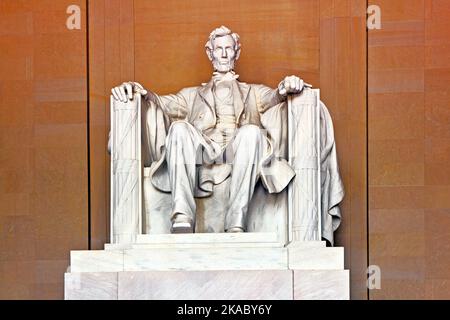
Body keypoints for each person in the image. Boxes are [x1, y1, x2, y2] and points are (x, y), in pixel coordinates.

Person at [112, 26, 306, 234]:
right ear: (209, 53)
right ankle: (182, 216)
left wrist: (286, 87)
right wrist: (137, 89)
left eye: (229, 49)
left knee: (252, 132)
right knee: (178, 128)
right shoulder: (191, 95)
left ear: (237, 52)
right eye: (219, 49)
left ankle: (236, 221)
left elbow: (275, 96)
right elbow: (160, 102)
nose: (223, 54)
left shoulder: (254, 92)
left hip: (239, 149)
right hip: (203, 151)